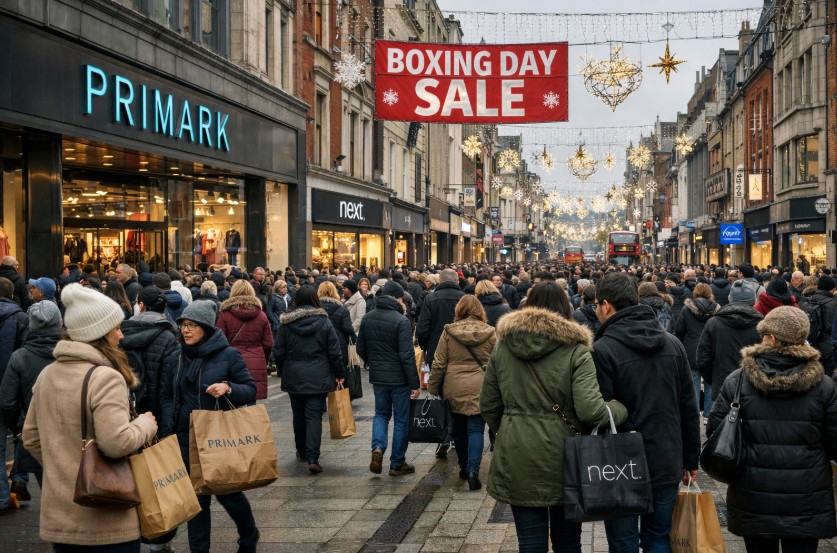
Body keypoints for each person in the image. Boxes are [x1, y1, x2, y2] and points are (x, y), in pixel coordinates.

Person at [481, 281, 628, 553]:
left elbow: (488, 404)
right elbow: (590, 410)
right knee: (568, 542)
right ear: (565, 308)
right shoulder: (576, 350)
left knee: (530, 543)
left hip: (518, 452)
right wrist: (619, 409)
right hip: (567, 455)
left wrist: (512, 427)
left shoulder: (503, 347)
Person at [22, 283, 158, 549]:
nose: (121, 335)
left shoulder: (47, 374)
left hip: (61, 516)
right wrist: (145, 424)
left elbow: (31, 437)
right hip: (106, 518)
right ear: (100, 333)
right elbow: (116, 443)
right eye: (116, 328)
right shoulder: (105, 377)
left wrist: (63, 467)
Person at [708, 306, 837, 553]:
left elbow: (716, 429)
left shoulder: (739, 380)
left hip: (753, 492)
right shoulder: (824, 385)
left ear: (772, 338)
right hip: (806, 495)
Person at [591, 272, 700, 553]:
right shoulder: (672, 344)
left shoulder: (603, 349)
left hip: (619, 463)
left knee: (623, 541)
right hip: (666, 455)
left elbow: (598, 410)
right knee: (658, 538)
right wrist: (690, 459)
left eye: (596, 305)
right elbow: (688, 407)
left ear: (606, 306)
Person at [160, 300, 260, 553]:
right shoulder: (176, 358)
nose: (186, 330)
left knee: (229, 494)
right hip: (185, 437)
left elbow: (250, 390)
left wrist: (228, 388)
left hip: (217, 437)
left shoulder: (228, 355)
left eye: (192, 325)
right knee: (197, 501)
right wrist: (169, 427)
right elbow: (167, 395)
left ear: (205, 327)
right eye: (183, 325)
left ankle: (249, 533)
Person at [427, 295, 495, 490]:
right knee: (476, 429)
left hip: (454, 385)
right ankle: (474, 470)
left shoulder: (449, 331)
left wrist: (432, 387)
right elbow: (499, 362)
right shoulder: (490, 332)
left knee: (459, 430)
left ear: (459, 310)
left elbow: (439, 363)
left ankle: (464, 467)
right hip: (481, 385)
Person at [273, 286, 343, 472]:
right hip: (318, 373)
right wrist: (339, 373)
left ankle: (302, 451)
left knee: (298, 414)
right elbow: (334, 351)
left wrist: (283, 369)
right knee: (314, 416)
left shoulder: (287, 322)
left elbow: (278, 350)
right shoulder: (324, 321)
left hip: (294, 373)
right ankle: (313, 457)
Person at [0, 301, 65, 502]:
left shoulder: (20, 357)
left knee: (49, 489)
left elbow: (7, 401)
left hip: (37, 430)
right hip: (72, 428)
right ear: (60, 322)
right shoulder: (73, 351)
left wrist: (20, 426)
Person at [357, 281, 419, 476]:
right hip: (399, 378)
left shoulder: (368, 318)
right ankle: (397, 462)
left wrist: (373, 362)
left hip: (379, 377)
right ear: (397, 298)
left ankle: (377, 447)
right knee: (401, 419)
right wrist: (414, 383)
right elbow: (407, 355)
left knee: (381, 414)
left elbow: (360, 347)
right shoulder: (401, 321)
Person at [120, 286, 180, 422]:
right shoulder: (168, 337)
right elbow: (167, 379)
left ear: (141, 306)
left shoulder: (122, 332)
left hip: (127, 403)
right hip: (155, 408)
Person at [216, 280, 274, 401]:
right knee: (251, 402)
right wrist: (264, 359)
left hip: (232, 362)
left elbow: (219, 341)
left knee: (232, 398)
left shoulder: (225, 314)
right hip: (256, 360)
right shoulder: (261, 315)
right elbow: (268, 343)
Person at [674, 283, 719, 423]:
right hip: (711, 349)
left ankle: (693, 414)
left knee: (693, 381)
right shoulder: (716, 310)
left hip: (691, 348)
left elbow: (679, 329)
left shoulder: (687, 309)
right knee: (710, 382)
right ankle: (708, 415)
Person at [318, 281, 357, 369]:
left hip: (319, 345)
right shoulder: (342, 309)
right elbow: (348, 329)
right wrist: (353, 340)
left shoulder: (315, 308)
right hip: (339, 346)